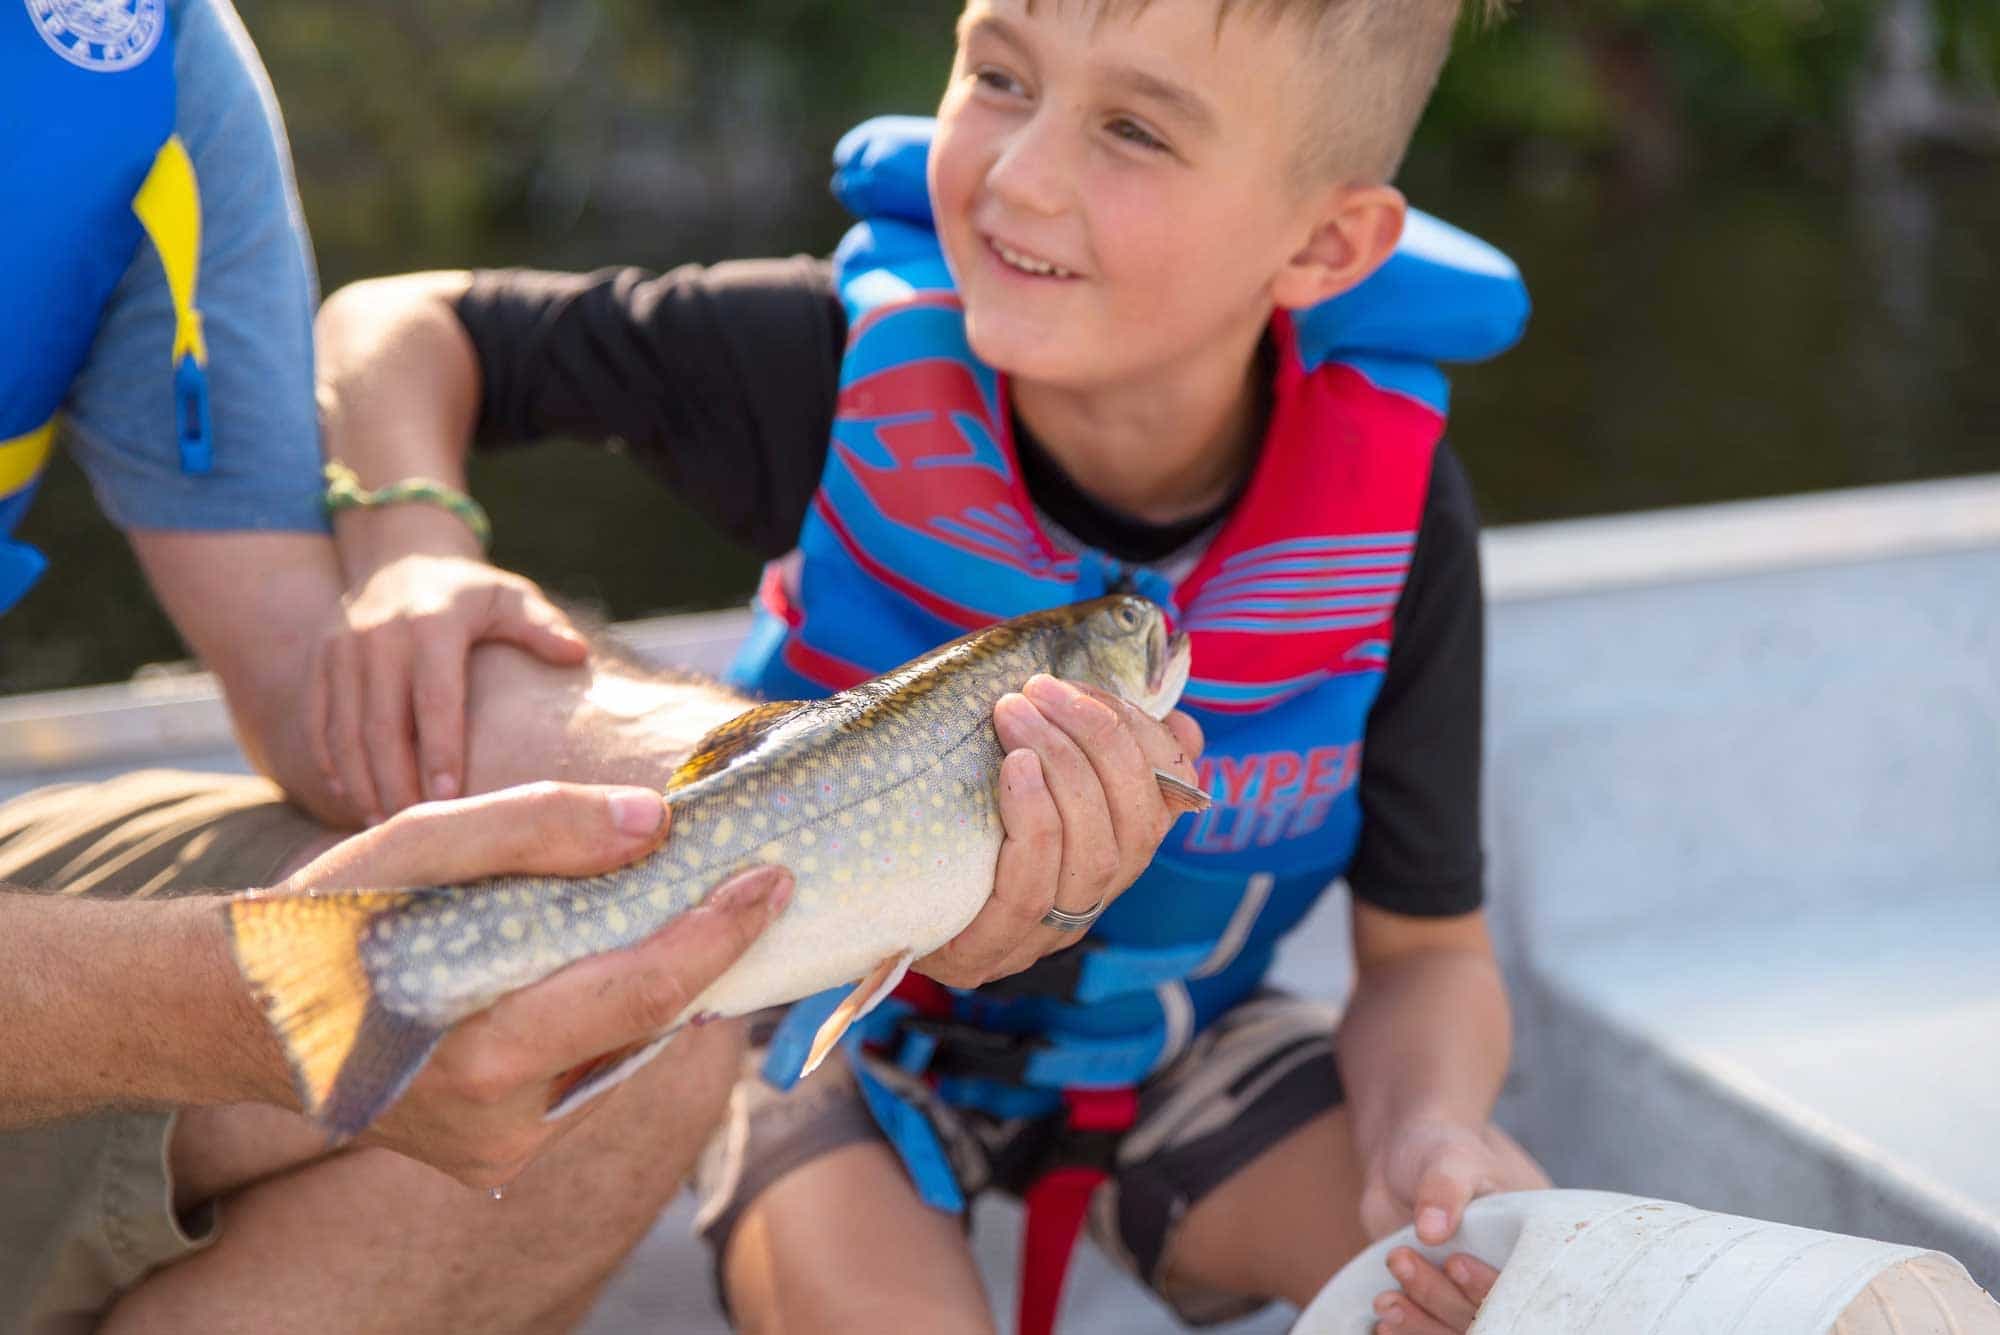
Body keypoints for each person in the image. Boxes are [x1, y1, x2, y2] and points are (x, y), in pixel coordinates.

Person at [310, 1, 1553, 1329]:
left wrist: (1427, 1130)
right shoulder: (824, 359)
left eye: (1132, 128)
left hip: (1173, 1047)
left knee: (1509, 1284)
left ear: (1324, 242)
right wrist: (410, 547)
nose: (1020, 177)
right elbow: (399, 324)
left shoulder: (1396, 516)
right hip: (815, 1031)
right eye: (1000, 76)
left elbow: (1427, 953)